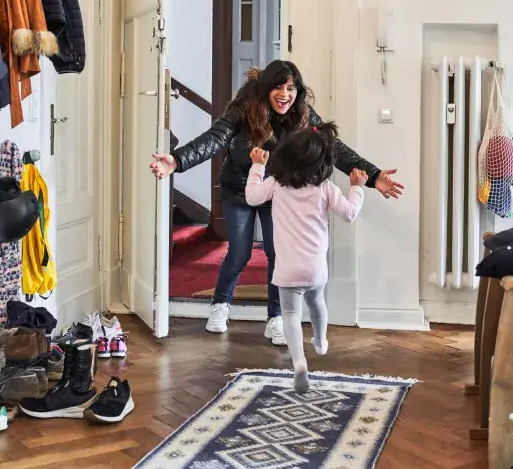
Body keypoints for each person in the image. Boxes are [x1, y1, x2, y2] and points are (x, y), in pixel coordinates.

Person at [150, 61, 403, 344]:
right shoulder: (244, 109)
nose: (285, 94)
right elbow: (214, 139)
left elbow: (336, 148)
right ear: (266, 88)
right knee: (240, 252)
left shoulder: (303, 115)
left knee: (277, 253)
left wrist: (374, 175)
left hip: (277, 191)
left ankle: (276, 317)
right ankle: (220, 306)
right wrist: (178, 160)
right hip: (240, 190)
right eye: (278, 87)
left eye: (291, 88)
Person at [244, 123, 364, 393]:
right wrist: (356, 187)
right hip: (315, 269)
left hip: (286, 269)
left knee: (290, 314)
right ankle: (320, 341)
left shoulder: (276, 184)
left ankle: (299, 364)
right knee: (317, 303)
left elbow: (252, 197)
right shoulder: (325, 189)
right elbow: (349, 214)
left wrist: (257, 167)